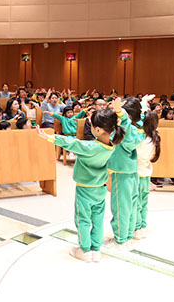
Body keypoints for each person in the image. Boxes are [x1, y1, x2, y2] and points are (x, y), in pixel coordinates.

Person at [36, 107, 124, 262]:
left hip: (85, 189)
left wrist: (49, 137)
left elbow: (72, 143)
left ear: (98, 130)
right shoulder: (113, 144)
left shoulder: (90, 147)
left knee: (83, 219)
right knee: (98, 219)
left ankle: (84, 250)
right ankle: (96, 249)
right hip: (100, 188)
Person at [106, 97, 144, 249]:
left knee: (121, 207)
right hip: (132, 171)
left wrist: (120, 112)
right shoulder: (138, 130)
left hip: (121, 172)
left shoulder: (126, 130)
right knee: (131, 205)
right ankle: (128, 235)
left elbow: (126, 123)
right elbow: (140, 119)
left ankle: (120, 239)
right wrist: (143, 104)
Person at [134, 112, 160, 240]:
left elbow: (135, 153)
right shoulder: (154, 137)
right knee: (144, 202)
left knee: (137, 203)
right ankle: (143, 225)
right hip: (147, 172)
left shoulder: (142, 139)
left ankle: (138, 228)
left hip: (138, 172)